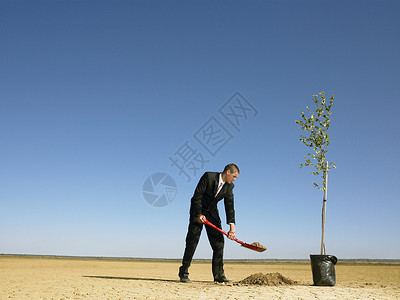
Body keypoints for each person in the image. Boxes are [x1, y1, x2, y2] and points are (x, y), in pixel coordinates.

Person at [178, 163, 239, 283]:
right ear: (227, 172)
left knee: (219, 243)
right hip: (198, 210)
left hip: (212, 212)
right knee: (192, 241)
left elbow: (229, 206)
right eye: (234, 176)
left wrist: (232, 227)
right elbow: (197, 196)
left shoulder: (229, 187)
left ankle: (219, 275)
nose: (235, 179)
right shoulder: (208, 177)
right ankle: (183, 273)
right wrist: (199, 214)